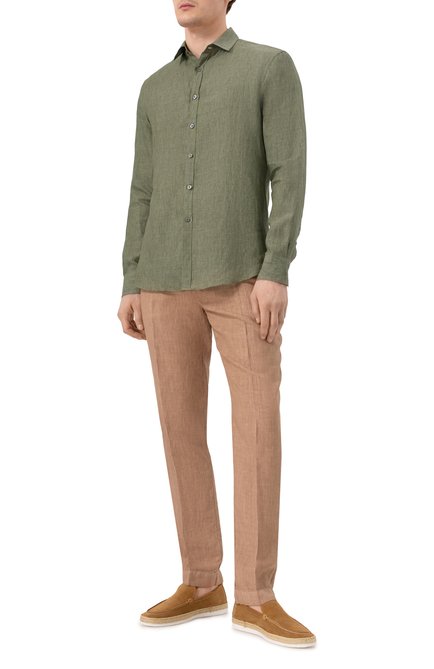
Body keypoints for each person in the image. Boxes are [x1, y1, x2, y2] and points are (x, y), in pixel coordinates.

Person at [117, 0, 315, 648]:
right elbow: (142, 190)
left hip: (242, 279)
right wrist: (132, 278)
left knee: (257, 427)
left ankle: (256, 595)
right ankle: (202, 580)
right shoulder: (153, 89)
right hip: (162, 281)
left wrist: (276, 268)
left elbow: (289, 173)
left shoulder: (269, 68)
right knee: (179, 431)